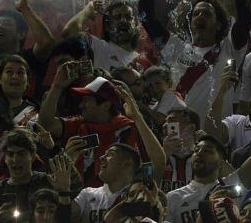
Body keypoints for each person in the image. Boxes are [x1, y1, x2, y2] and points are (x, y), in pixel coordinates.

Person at [141, 0, 251, 120]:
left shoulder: (230, 49)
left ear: (218, 24)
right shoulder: (175, 48)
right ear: (190, 23)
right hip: (179, 132)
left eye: (207, 13)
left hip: (214, 136)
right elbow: (145, 17)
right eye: (195, 13)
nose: (200, 15)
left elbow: (245, 19)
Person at [165, 94, 251, 223]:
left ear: (221, 163)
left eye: (208, 151)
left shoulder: (231, 186)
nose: (200, 153)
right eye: (197, 150)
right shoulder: (173, 197)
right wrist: (209, 207)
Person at [38, 67, 166, 188]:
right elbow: (46, 124)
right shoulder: (79, 124)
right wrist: (57, 87)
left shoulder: (131, 130)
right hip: (81, 198)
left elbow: (153, 166)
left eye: (87, 100)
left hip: (119, 197)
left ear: (105, 105)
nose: (81, 105)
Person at [0, 128, 53, 223]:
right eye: (10, 154)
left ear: (33, 156)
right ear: (5, 158)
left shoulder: (46, 182)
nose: (15, 159)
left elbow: (74, 190)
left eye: (21, 154)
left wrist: (55, 150)